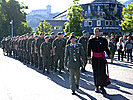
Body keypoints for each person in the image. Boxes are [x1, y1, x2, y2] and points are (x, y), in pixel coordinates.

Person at [88, 27, 112, 94]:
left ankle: (102, 86)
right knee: (96, 72)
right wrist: (89, 59)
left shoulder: (103, 40)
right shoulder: (91, 40)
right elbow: (88, 50)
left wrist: (109, 55)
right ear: (94, 32)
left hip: (101, 58)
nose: (96, 33)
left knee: (102, 72)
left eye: (98, 31)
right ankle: (96, 86)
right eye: (95, 31)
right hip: (95, 58)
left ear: (99, 32)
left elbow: (106, 48)